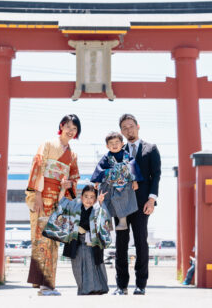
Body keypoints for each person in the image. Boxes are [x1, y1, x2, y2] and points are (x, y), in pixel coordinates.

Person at [25, 114, 81, 296]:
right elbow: (38, 167)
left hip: (58, 200)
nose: (71, 131)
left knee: (53, 241)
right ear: (61, 126)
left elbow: (74, 179)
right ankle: (44, 285)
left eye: (75, 129)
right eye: (69, 127)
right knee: (42, 239)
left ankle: (47, 284)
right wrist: (37, 194)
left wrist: (68, 186)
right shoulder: (48, 144)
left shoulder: (72, 155)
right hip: (43, 196)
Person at [114, 114, 161, 296]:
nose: (128, 130)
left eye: (131, 126)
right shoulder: (118, 150)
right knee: (120, 244)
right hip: (120, 205)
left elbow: (156, 175)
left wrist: (152, 200)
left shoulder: (151, 149)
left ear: (138, 126)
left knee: (141, 242)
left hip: (142, 204)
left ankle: (141, 284)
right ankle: (121, 285)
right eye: (124, 128)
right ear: (121, 131)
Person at [49, 184, 112, 295]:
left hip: (92, 242)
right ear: (81, 197)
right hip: (76, 242)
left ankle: (96, 289)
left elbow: (105, 218)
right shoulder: (75, 206)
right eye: (86, 196)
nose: (88, 199)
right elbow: (61, 202)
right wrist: (63, 188)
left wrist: (101, 203)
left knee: (93, 266)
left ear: (95, 198)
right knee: (78, 267)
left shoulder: (97, 208)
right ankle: (83, 289)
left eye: (92, 197)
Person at [90, 131, 143, 230]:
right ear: (107, 146)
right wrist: (97, 181)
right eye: (111, 143)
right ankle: (107, 223)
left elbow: (133, 167)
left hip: (124, 185)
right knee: (105, 201)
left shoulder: (127, 156)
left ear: (122, 144)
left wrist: (135, 181)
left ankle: (123, 223)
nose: (114, 145)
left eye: (116, 142)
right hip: (109, 184)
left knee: (123, 200)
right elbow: (100, 168)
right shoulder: (106, 157)